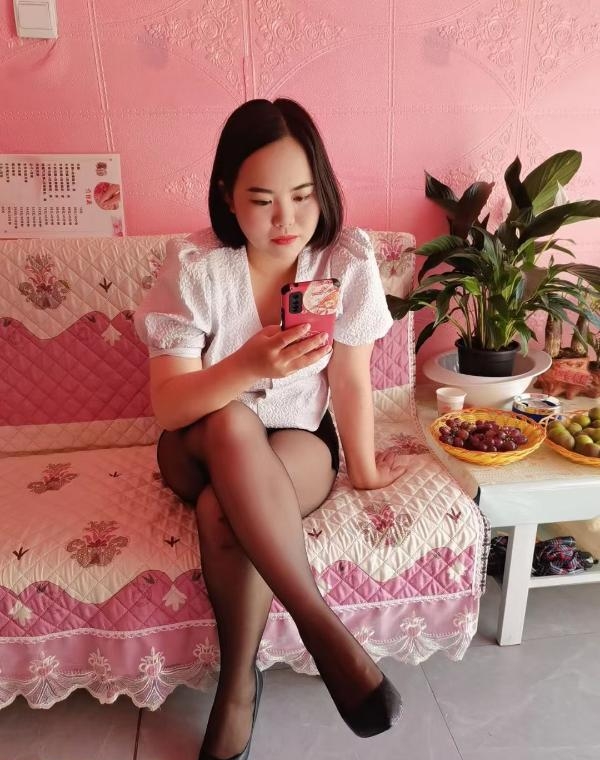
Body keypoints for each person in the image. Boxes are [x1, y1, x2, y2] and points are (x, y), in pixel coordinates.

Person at [134, 98, 405, 760]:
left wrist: (366, 470)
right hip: (196, 439)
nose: (287, 220)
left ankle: (235, 692)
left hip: (296, 443)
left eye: (303, 196)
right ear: (228, 195)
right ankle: (322, 630)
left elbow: (349, 380)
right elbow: (169, 407)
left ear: (323, 189)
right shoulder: (197, 268)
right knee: (230, 422)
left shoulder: (343, 261)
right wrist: (245, 365)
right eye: (262, 200)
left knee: (221, 510)